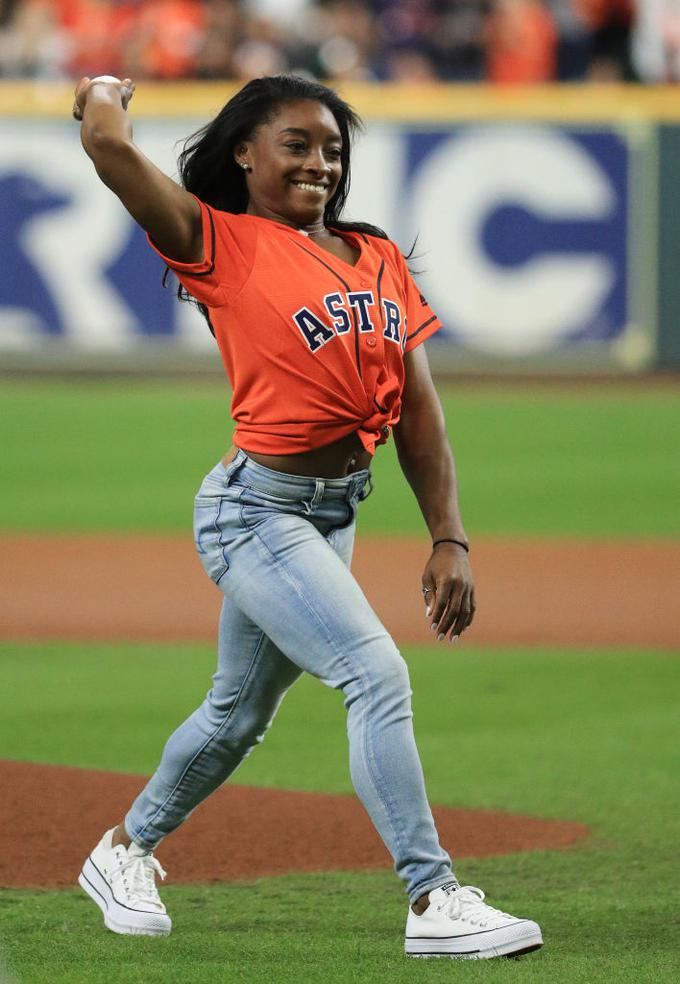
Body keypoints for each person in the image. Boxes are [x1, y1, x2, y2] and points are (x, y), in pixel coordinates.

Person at [71, 72, 543, 960]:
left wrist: (450, 534)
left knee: (235, 715)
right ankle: (433, 896)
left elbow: (420, 409)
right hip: (254, 512)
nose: (319, 162)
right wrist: (102, 89)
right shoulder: (220, 241)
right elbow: (105, 143)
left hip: (332, 515)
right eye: (297, 143)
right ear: (244, 155)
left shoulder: (378, 256)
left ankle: (123, 850)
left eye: (332, 148)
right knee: (375, 673)